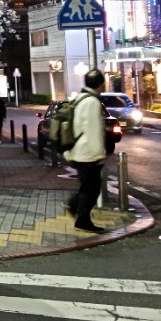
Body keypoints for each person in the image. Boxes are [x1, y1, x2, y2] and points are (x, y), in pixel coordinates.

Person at [65, 68, 107, 232]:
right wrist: (100, 153)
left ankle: (78, 212)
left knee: (87, 186)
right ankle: (81, 217)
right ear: (99, 85)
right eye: (103, 84)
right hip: (87, 153)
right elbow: (93, 130)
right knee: (92, 188)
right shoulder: (92, 102)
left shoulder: (80, 98)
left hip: (78, 150)